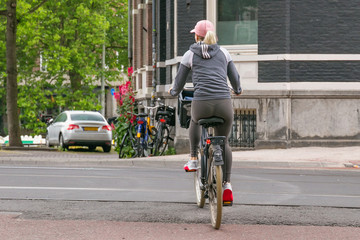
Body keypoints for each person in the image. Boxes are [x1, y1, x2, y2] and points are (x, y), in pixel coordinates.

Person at [168, 20, 242, 206]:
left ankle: (193, 158)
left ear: (196, 36)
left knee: (194, 120)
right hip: (224, 103)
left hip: (202, 104)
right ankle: (226, 185)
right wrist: (238, 89)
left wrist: (173, 92)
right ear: (213, 36)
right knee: (223, 142)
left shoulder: (189, 54)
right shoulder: (224, 53)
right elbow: (235, 80)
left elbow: (178, 84)